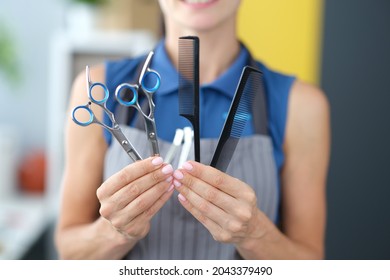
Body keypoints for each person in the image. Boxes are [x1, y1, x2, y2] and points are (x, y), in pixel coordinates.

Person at [55, 0, 330, 260]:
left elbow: (310, 264)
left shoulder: (300, 105)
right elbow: (69, 252)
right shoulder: (97, 91)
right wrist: (112, 232)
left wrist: (255, 234)